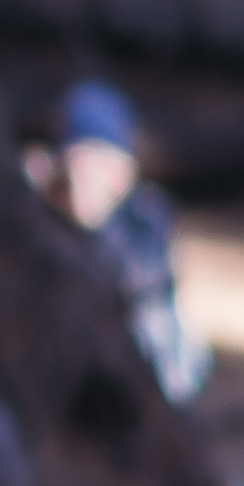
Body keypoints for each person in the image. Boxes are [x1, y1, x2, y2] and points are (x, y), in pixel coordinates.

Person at [44, 76, 207, 407]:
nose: (86, 178)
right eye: (78, 164)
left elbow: (142, 284)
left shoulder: (144, 218)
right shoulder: (41, 220)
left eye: (102, 164)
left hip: (150, 360)